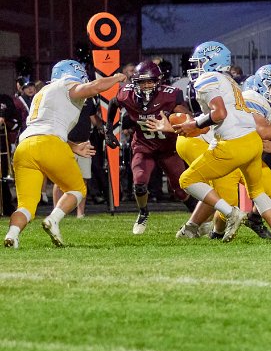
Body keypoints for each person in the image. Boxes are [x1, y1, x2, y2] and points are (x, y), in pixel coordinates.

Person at [169, 41, 271, 243]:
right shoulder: (230, 81)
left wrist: (193, 123)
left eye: (199, 62)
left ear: (210, 62)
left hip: (232, 143)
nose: (196, 67)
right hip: (251, 142)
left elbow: (219, 114)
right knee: (256, 190)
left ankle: (229, 215)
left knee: (187, 181)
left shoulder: (208, 79)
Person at [5, 61, 124, 248]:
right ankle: (53, 220)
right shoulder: (66, 85)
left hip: (24, 147)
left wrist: (73, 146)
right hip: (49, 144)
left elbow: (45, 127)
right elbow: (93, 87)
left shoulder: (42, 92)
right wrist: (116, 78)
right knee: (77, 189)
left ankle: (12, 235)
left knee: (26, 205)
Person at [106, 60, 193, 234]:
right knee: (139, 182)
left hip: (168, 147)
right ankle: (143, 212)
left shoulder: (171, 95)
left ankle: (198, 219)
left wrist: (174, 124)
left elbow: (188, 119)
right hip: (143, 146)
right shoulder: (127, 94)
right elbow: (113, 103)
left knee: (181, 189)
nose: (146, 86)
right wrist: (109, 130)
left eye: (150, 81)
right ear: (135, 82)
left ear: (158, 81)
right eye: (142, 82)